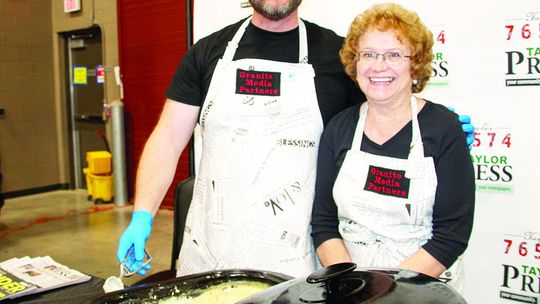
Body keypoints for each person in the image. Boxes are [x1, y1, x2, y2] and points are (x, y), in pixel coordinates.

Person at [117, 0, 474, 279]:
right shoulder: (207, 52)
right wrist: (143, 216)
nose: (378, 61)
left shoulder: (337, 57)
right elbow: (167, 138)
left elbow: (384, 103)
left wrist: (435, 126)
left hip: (296, 259)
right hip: (211, 251)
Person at [310, 3, 475, 291]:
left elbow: (451, 236)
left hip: (422, 289)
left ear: (415, 64)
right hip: (351, 288)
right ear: (355, 62)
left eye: (394, 54)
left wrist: (387, 293)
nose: (378, 66)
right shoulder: (339, 128)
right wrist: (352, 288)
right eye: (369, 54)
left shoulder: (443, 128)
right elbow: (324, 223)